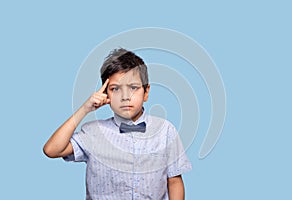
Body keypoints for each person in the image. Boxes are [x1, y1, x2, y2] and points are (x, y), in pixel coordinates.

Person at [43, 48, 192, 200]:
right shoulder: (93, 132)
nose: (125, 97)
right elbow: (52, 150)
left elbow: (174, 181)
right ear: (105, 94)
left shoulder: (165, 130)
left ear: (146, 92)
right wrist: (84, 109)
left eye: (133, 88)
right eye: (115, 89)